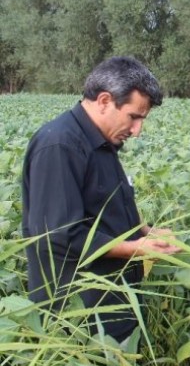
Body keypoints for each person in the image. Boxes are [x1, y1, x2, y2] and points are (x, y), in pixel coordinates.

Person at [22, 56, 181, 342]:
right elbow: (61, 234)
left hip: (112, 302)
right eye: (134, 117)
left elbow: (105, 207)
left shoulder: (102, 142)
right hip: (79, 316)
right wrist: (135, 248)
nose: (137, 130)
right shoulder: (60, 145)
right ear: (105, 101)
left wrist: (146, 232)